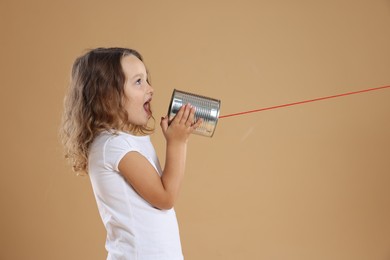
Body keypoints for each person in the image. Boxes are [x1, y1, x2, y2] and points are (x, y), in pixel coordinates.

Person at [60, 47, 202, 260]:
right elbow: (165, 197)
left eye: (146, 79)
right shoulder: (113, 146)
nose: (150, 89)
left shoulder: (120, 143)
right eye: (138, 82)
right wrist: (177, 142)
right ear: (108, 97)